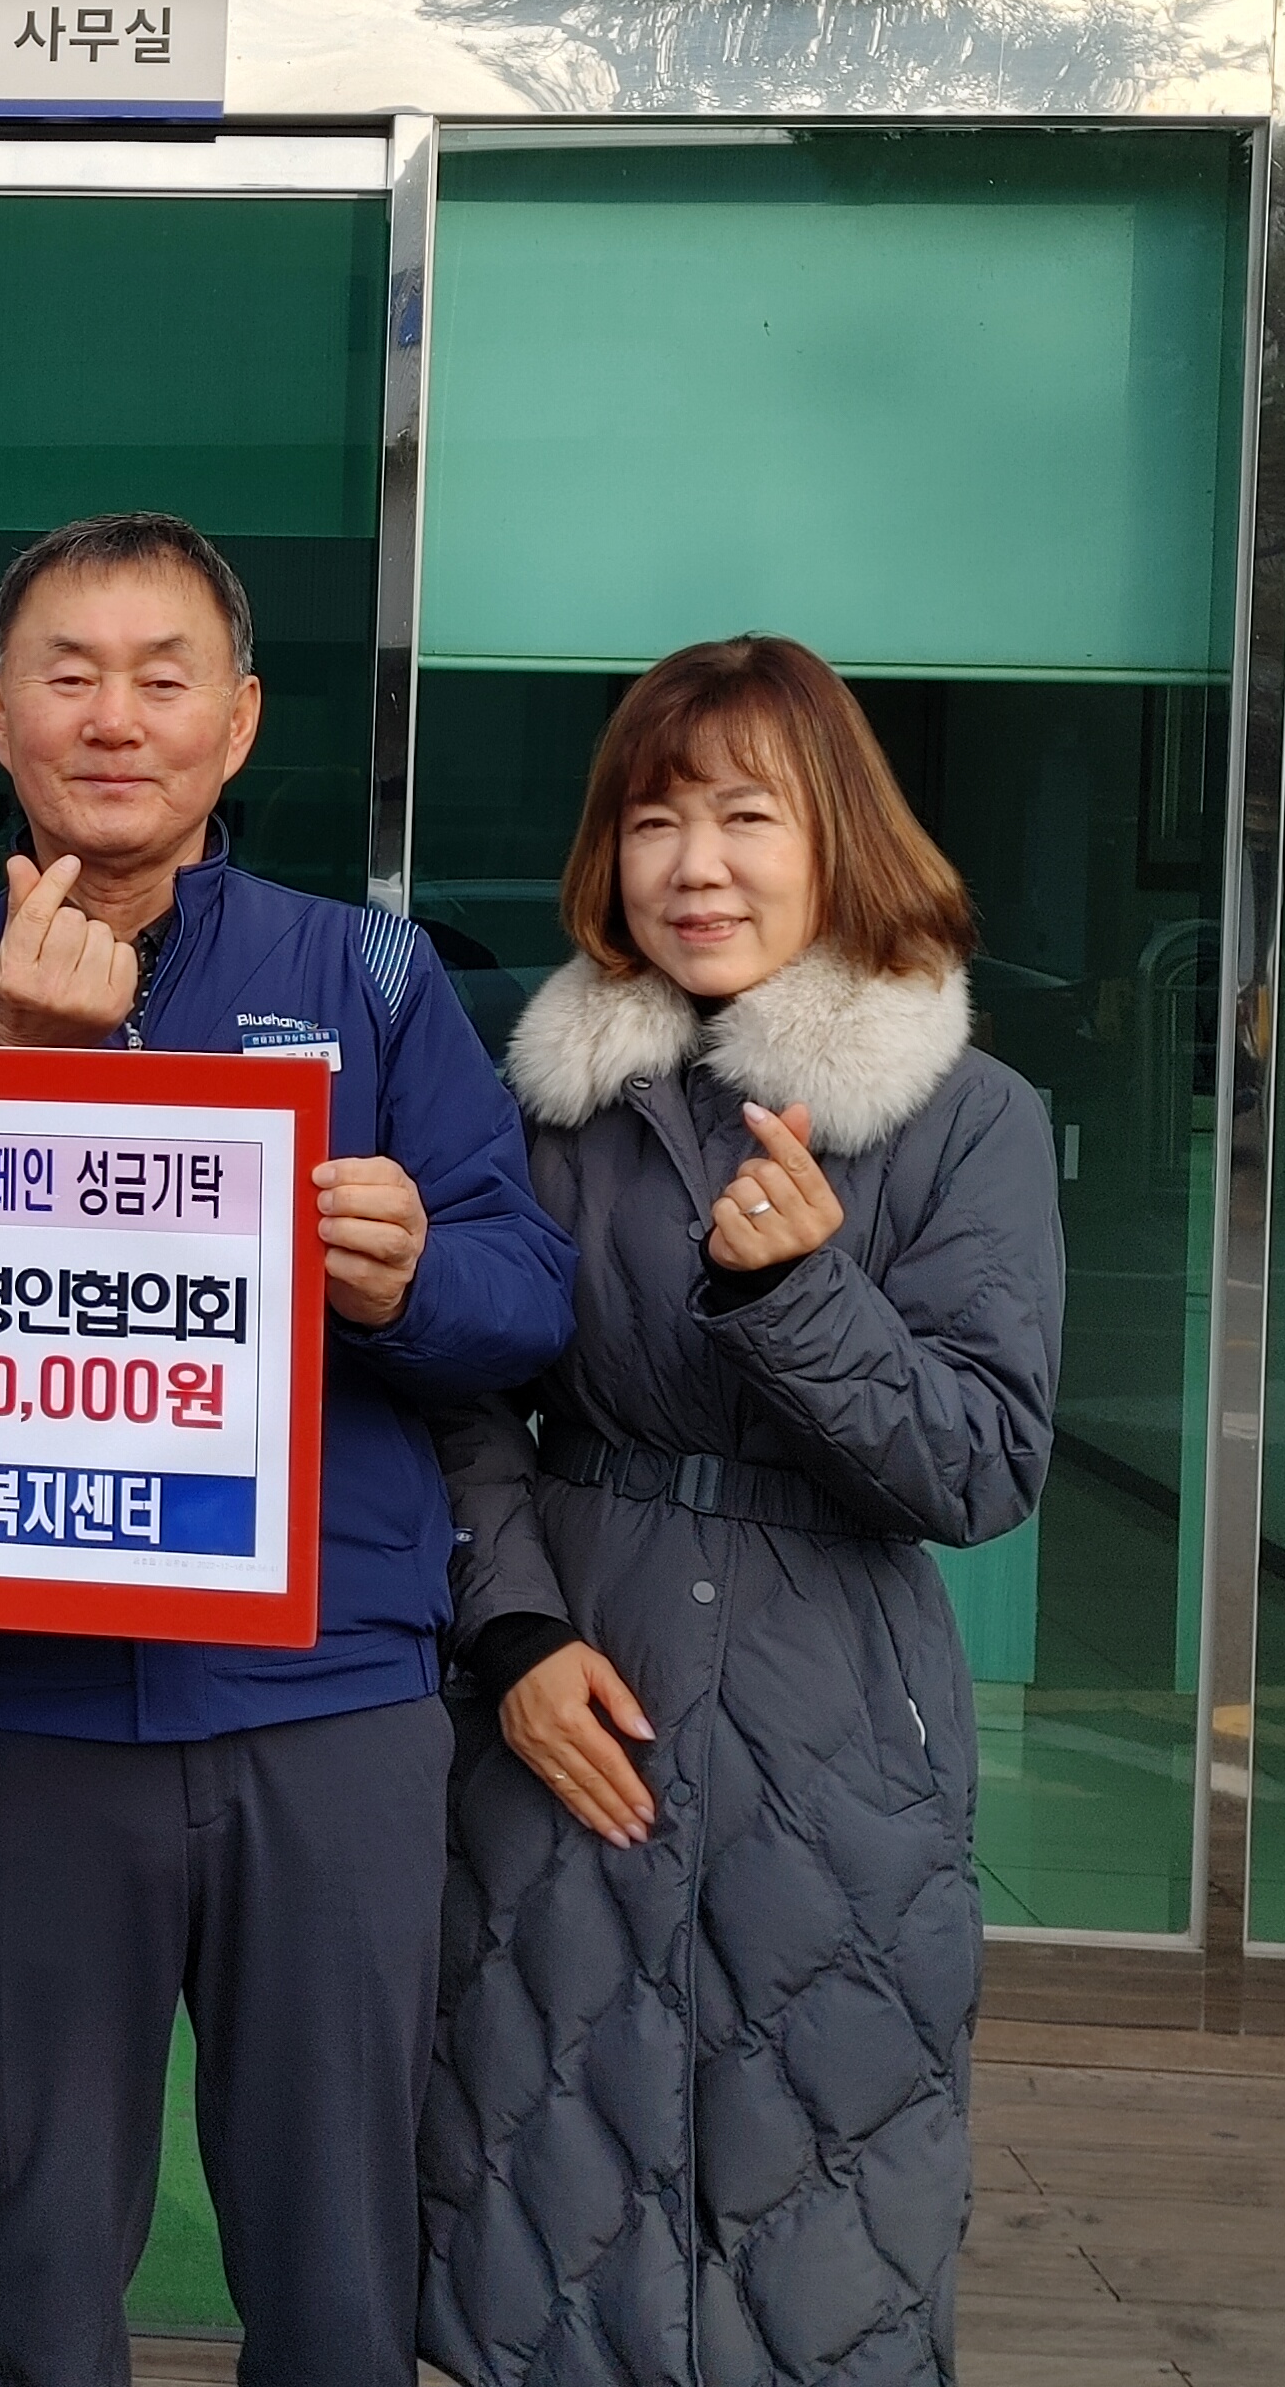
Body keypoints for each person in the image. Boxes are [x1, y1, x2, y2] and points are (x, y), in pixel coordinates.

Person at [0, 511, 578, 2387]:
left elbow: (526, 1296)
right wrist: (16, 1079)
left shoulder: (373, 978)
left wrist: (408, 1276)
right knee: (37, 2240)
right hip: (26, 1711)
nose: (115, 718)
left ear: (236, 725)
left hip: (331, 1699)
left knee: (338, 2255)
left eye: (164, 679)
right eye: (69, 675)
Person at [424, 635, 1063, 2387]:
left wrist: (804, 1296)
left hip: (835, 1731)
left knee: (823, 2217)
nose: (693, 866)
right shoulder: (552, 1111)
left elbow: (980, 1465)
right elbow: (465, 1404)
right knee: (545, 2173)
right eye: (652, 822)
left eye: (743, 816)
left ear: (838, 833)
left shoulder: (968, 1118)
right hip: (574, 1698)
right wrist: (516, 1636)